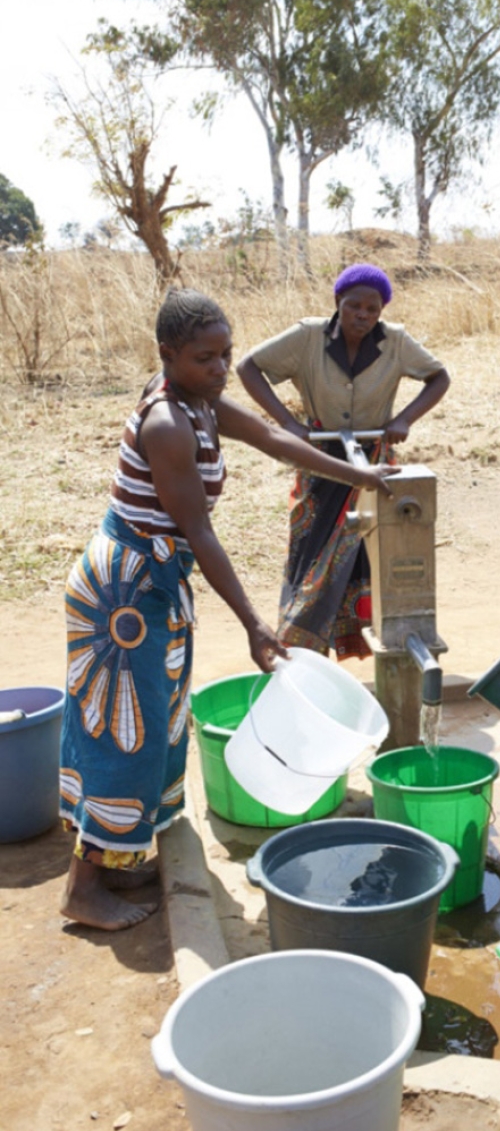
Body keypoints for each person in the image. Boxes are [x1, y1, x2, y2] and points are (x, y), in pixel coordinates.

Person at [60, 288, 397, 931]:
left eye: (226, 356)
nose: (220, 369)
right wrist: (253, 622)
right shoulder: (167, 423)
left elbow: (273, 437)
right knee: (124, 732)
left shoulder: (202, 403)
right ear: (168, 355)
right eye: (205, 358)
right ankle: (83, 888)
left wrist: (358, 474)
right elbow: (198, 530)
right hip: (125, 591)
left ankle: (120, 850)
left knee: (158, 719)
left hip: (154, 579)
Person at [236, 263, 450, 659]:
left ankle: (368, 641)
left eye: (373, 309)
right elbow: (248, 367)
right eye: (355, 307)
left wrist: (404, 418)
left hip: (372, 462)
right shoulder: (308, 336)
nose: (363, 316)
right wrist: (286, 422)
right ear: (338, 302)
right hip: (317, 457)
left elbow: (439, 377)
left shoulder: (397, 342)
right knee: (311, 551)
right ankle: (301, 645)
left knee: (368, 553)